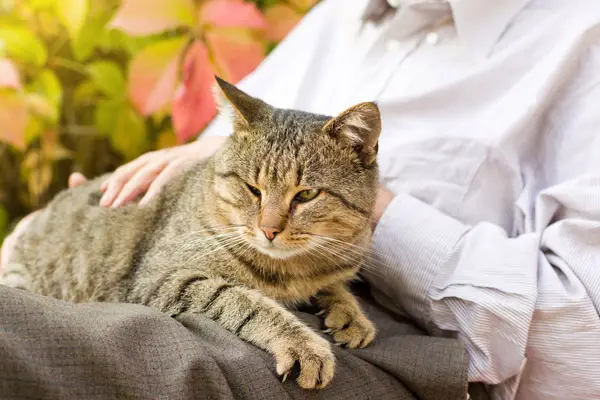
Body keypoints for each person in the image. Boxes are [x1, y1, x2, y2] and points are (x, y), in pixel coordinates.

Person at [3, 0, 600, 398]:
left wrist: (372, 214)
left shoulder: (581, 35)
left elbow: (583, 347)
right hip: (177, 282)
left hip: (370, 350)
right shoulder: (336, 15)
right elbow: (231, 160)